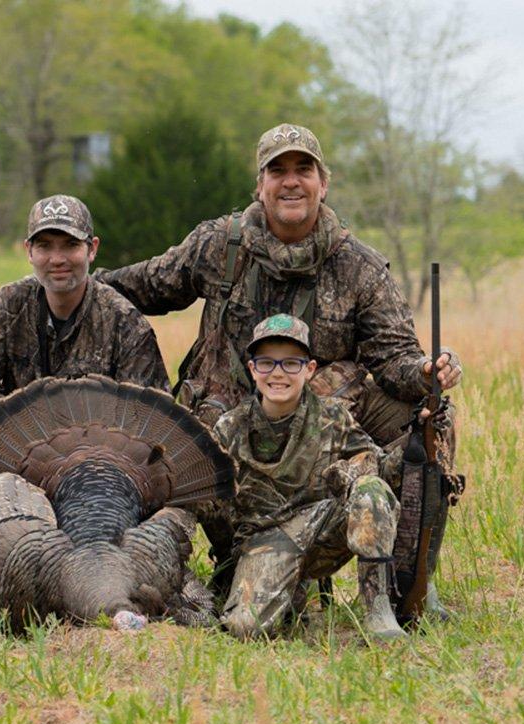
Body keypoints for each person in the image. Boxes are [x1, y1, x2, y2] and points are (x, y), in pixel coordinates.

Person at [98, 123, 462, 615]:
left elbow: (394, 360)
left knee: (430, 417)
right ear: (260, 186)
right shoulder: (218, 246)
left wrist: (427, 373)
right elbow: (142, 286)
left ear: (323, 183)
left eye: (303, 169)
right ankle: (195, 570)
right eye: (278, 170)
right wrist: (72, 279)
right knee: (174, 461)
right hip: (228, 415)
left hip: (322, 417)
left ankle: (409, 573)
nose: (291, 181)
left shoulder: (359, 267)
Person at [214, 314, 406, 641]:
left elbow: (378, 466)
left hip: (321, 527)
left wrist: (412, 447)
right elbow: (207, 504)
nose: (277, 373)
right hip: (265, 538)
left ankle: (378, 610)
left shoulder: (333, 415)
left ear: (310, 369)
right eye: (266, 363)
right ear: (252, 369)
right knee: (247, 629)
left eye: (291, 363)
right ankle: (292, 591)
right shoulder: (229, 428)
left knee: (370, 489)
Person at [0, 194, 170, 414]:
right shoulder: (8, 304)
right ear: (29, 251)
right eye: (44, 246)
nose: (57, 259)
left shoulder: (125, 321)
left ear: (92, 249)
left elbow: (151, 414)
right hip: (23, 442)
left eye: (71, 245)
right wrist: (28, 418)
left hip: (101, 447)